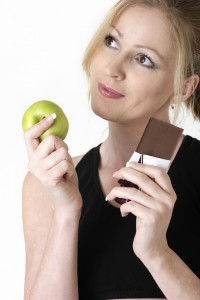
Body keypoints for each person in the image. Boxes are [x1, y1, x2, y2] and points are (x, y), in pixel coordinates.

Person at [22, 0, 200, 299]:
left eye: (144, 59)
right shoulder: (47, 184)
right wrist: (66, 214)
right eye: (111, 41)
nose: (112, 68)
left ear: (183, 87)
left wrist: (157, 254)